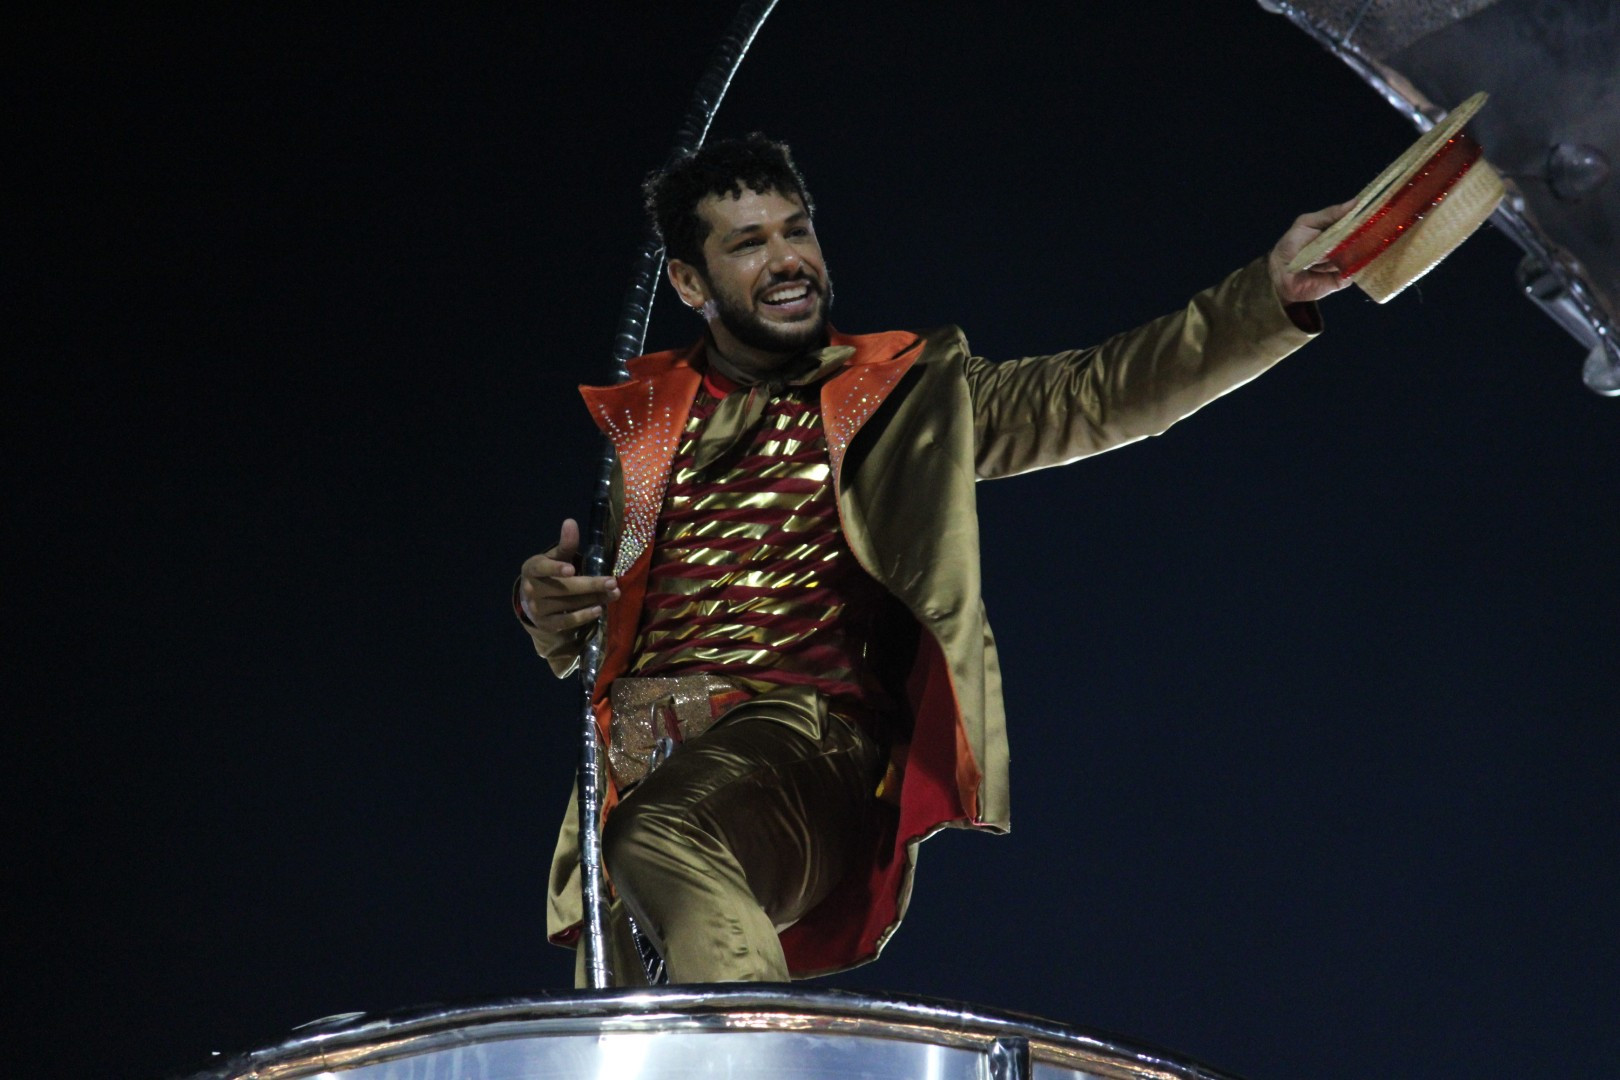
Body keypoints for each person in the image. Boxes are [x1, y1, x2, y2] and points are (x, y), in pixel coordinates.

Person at [517, 134, 1350, 987]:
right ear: (690, 283)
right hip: (639, 765)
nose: (788, 259)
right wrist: (547, 607)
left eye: (796, 231)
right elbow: (604, 619)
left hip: (807, 744)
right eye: (749, 243)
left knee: (665, 835)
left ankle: (759, 1051)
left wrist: (1266, 296)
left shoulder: (906, 394)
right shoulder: (643, 429)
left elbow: (1097, 392)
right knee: (612, 1015)